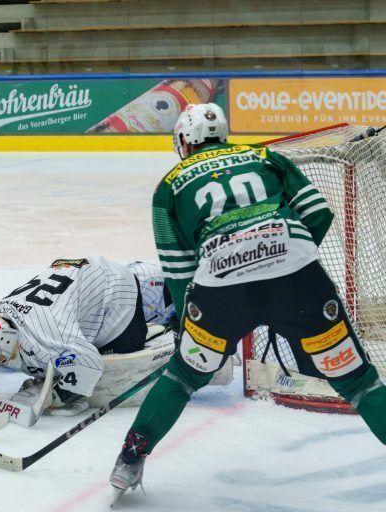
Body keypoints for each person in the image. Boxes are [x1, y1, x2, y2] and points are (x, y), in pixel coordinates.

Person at [109, 103, 386, 502]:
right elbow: (318, 212)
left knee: (182, 378)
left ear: (184, 141)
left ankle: (130, 458)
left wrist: (189, 325)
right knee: (358, 382)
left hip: (222, 293)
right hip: (297, 281)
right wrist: (287, 258)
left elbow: (179, 270)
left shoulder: (170, 184)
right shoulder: (264, 156)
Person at [0, 257, 177, 414]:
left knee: (124, 351)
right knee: (31, 355)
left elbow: (91, 365)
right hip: (80, 273)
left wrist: (55, 396)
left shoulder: (50, 334)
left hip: (118, 288)